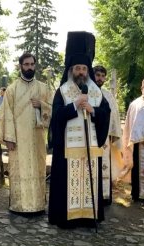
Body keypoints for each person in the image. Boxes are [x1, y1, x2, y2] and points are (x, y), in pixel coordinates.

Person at [48, 32, 111, 229]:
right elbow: (56, 117)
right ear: (71, 70)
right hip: (68, 149)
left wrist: (94, 110)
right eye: (78, 68)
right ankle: (68, 218)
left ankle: (88, 216)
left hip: (90, 148)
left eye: (84, 68)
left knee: (89, 182)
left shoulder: (96, 92)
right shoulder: (63, 91)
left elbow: (106, 113)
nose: (81, 72)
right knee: (67, 185)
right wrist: (74, 105)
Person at [0, 53, 52, 215]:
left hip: (37, 139)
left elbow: (52, 111)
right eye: (26, 64)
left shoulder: (43, 88)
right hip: (18, 140)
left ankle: (38, 205)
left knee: (37, 169)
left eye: (32, 64)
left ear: (35, 66)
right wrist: (9, 139)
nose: (29, 67)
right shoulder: (12, 89)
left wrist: (41, 105)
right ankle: (19, 205)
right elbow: (5, 115)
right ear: (20, 66)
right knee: (19, 171)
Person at [93, 65, 123, 205]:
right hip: (91, 136)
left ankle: (104, 196)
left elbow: (115, 116)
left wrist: (114, 134)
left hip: (105, 138)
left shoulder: (108, 95)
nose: (100, 78)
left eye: (102, 76)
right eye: (97, 75)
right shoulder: (87, 92)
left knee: (105, 165)